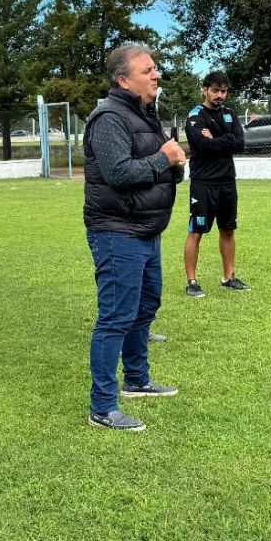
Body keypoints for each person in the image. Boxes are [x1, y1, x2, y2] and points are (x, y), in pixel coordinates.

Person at [84, 43, 186, 432]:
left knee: (146, 306)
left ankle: (137, 379)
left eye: (155, 68)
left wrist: (174, 165)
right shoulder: (109, 118)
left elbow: (162, 166)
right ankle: (102, 407)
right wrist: (165, 159)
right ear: (123, 80)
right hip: (117, 231)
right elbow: (120, 173)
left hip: (146, 229)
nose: (156, 74)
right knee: (115, 317)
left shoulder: (144, 113)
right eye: (148, 70)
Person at [183, 71, 249, 297]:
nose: (220, 95)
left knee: (228, 229)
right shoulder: (195, 115)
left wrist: (217, 138)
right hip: (203, 183)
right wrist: (226, 139)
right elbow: (202, 145)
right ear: (205, 90)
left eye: (224, 91)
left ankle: (228, 277)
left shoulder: (230, 114)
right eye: (215, 90)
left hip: (227, 182)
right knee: (196, 231)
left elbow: (240, 144)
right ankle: (191, 282)